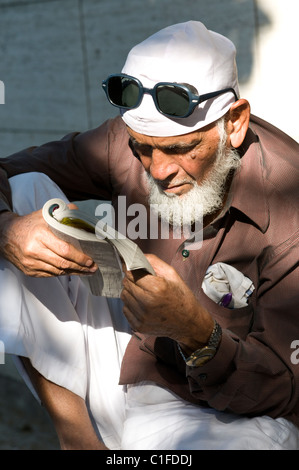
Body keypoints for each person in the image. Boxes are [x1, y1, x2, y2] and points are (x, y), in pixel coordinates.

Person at [0, 20, 299, 450]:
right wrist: (7, 229)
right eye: (143, 148)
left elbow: (284, 389)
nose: (158, 170)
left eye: (180, 149)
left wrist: (198, 332)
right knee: (23, 193)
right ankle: (77, 440)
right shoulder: (122, 142)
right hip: (131, 367)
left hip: (235, 416)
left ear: (233, 123)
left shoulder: (290, 207)